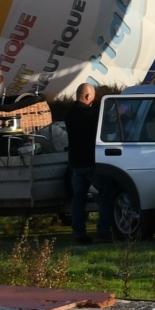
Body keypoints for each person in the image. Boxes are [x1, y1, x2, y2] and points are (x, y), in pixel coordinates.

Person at [65, 82, 105, 243]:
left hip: (75, 163)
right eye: (93, 96)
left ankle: (79, 233)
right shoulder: (91, 115)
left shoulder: (69, 115)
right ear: (88, 96)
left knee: (78, 198)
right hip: (91, 162)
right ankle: (103, 230)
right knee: (106, 195)